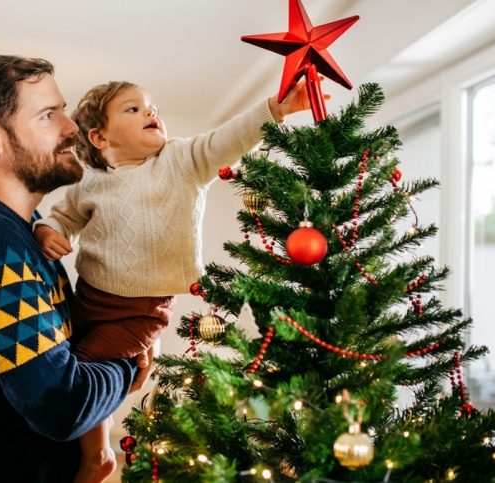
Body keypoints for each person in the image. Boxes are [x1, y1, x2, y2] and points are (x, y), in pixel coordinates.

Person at [33, 80, 318, 482]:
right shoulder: (89, 181)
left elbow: (227, 139)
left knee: (85, 370)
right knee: (78, 356)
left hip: (142, 308)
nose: (151, 113)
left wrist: (275, 109)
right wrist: (47, 232)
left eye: (152, 106)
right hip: (90, 297)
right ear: (99, 136)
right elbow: (61, 216)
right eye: (133, 109)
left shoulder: (180, 160)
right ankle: (135, 365)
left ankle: (98, 456)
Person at [0, 55, 153, 483]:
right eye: (48, 115)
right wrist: (130, 366)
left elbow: (63, 356)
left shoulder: (26, 229)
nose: (71, 127)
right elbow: (62, 406)